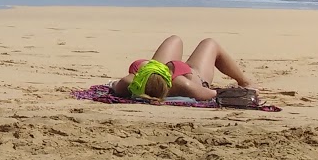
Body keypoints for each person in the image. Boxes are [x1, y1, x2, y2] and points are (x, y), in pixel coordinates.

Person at [108, 35, 254, 102]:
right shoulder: (184, 85)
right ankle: (245, 82)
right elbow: (211, 94)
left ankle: (157, 68)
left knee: (175, 40)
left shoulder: (129, 83)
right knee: (210, 43)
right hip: (191, 77)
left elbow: (113, 85)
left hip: (160, 75)